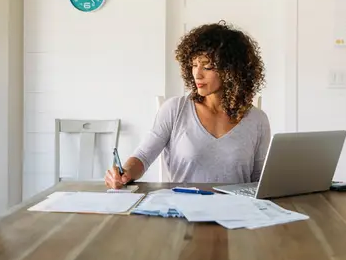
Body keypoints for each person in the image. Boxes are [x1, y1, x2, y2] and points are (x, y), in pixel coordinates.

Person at [104, 21, 271, 189]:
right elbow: (142, 157)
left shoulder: (257, 120)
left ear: (232, 71)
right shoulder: (175, 109)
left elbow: (259, 180)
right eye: (194, 65)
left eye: (207, 67)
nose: (197, 74)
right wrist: (124, 173)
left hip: (237, 211)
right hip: (184, 209)